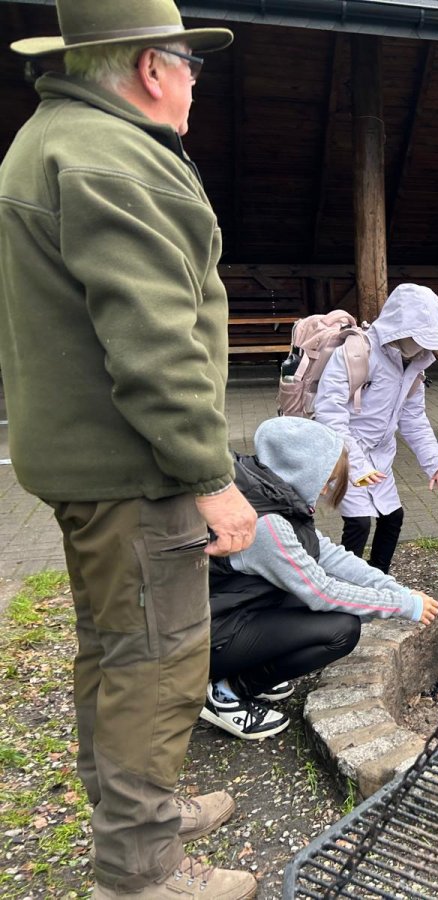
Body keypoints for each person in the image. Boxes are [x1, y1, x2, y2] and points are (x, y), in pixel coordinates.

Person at [0, 3, 260, 897]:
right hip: (135, 471)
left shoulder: (51, 138)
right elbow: (154, 346)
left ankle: (140, 811)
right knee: (157, 662)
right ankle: (141, 870)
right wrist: (211, 475)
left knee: (115, 648)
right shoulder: (115, 158)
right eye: (191, 65)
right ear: (154, 68)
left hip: (85, 463)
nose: (195, 84)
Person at [205, 418, 438, 740]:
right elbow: (322, 593)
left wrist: (395, 588)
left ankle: (248, 672)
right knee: (341, 630)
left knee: (312, 599)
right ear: (300, 471)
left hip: (232, 614)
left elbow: (331, 556)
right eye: (327, 481)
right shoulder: (267, 524)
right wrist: (404, 605)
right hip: (209, 638)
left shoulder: (272, 498)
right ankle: (228, 691)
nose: (327, 489)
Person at [313, 283, 438, 574]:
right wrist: (357, 464)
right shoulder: (356, 352)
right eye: (417, 337)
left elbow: (414, 418)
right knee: (359, 522)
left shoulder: (414, 364)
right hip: (345, 450)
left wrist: (434, 461)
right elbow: (329, 413)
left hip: (380, 454)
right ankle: (344, 581)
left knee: (392, 517)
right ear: (399, 328)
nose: (421, 346)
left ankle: (378, 576)